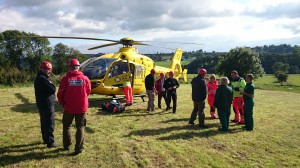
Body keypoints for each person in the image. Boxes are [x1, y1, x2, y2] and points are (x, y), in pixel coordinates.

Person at [57, 59, 91, 155]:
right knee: (80, 127)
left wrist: (63, 104)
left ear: (69, 67)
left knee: (67, 126)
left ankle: (66, 145)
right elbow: (88, 91)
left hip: (69, 107)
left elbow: (60, 94)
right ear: (78, 67)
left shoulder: (65, 79)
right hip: (81, 107)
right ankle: (79, 148)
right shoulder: (85, 79)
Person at [34, 61, 57, 148]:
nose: (49, 71)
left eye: (50, 69)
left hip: (42, 103)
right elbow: (53, 88)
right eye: (47, 69)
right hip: (47, 104)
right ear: (42, 69)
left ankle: (45, 139)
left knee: (44, 122)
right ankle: (50, 142)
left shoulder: (39, 77)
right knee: (49, 123)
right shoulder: (43, 78)